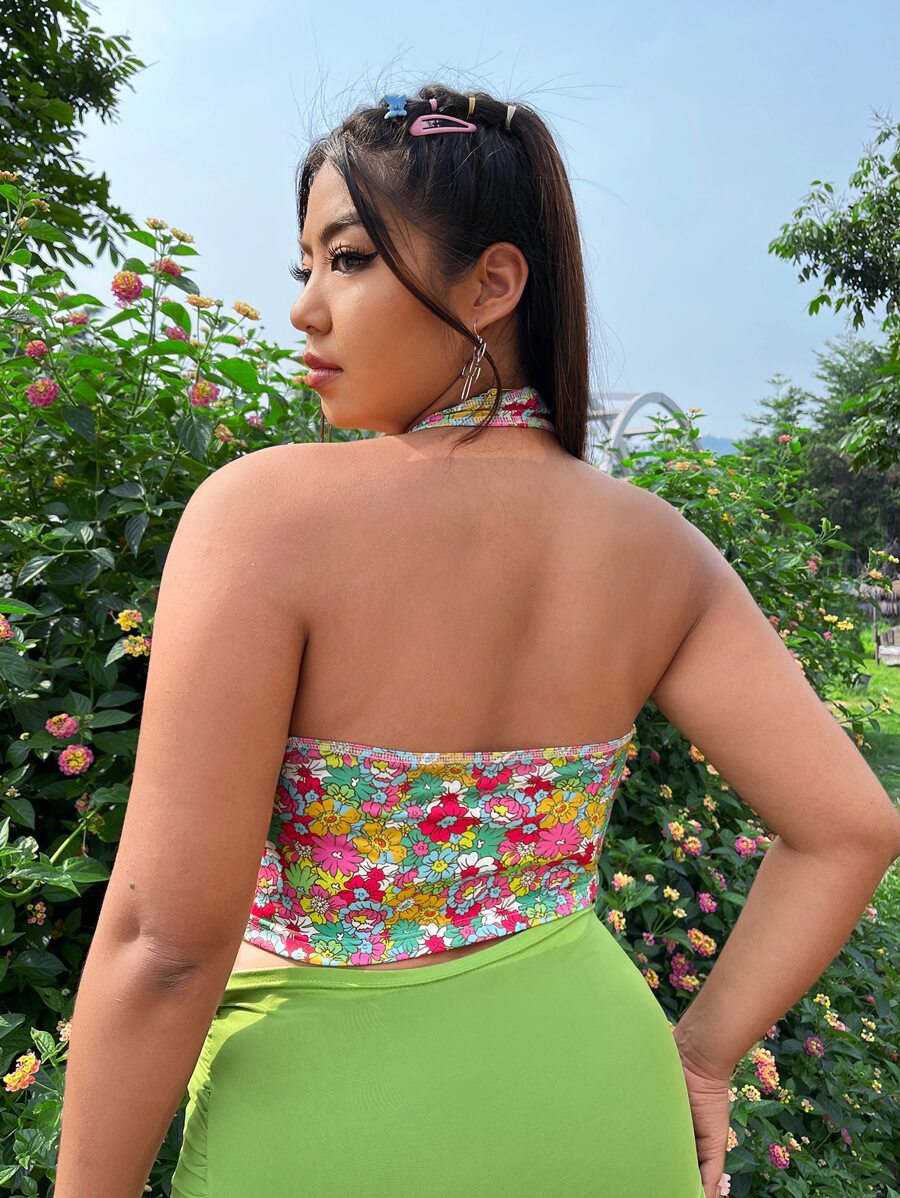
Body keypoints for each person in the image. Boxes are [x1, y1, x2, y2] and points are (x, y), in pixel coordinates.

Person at [55, 85, 900, 1198]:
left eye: (348, 259)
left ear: (493, 284)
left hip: (336, 1123)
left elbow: (164, 949)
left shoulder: (262, 518)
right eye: (304, 266)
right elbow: (850, 827)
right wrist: (701, 1058)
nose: (305, 308)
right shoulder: (663, 549)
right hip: (604, 1096)